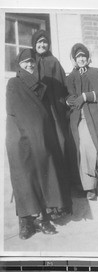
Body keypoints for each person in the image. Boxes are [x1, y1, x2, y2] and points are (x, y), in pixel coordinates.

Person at [6, 48, 69, 239]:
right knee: (24, 176)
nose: (30, 65)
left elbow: (44, 112)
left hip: (38, 135)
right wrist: (35, 128)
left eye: (32, 62)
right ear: (19, 64)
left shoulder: (41, 86)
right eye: (25, 62)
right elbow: (17, 109)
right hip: (20, 135)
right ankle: (25, 222)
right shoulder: (14, 83)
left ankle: (43, 219)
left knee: (43, 172)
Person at [66, 43, 98, 200]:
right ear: (74, 60)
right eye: (78, 57)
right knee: (77, 148)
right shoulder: (71, 77)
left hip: (94, 119)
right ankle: (81, 184)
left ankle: (91, 187)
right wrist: (70, 100)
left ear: (88, 58)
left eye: (83, 56)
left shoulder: (96, 73)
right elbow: (66, 95)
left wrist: (86, 96)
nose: (81, 59)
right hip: (77, 119)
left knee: (89, 146)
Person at [31, 29, 72, 217]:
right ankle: (45, 203)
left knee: (59, 147)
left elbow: (64, 86)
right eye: (39, 42)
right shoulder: (29, 63)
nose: (42, 45)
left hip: (54, 112)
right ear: (33, 44)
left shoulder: (54, 62)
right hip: (37, 114)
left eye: (45, 42)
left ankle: (60, 203)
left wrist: (63, 103)